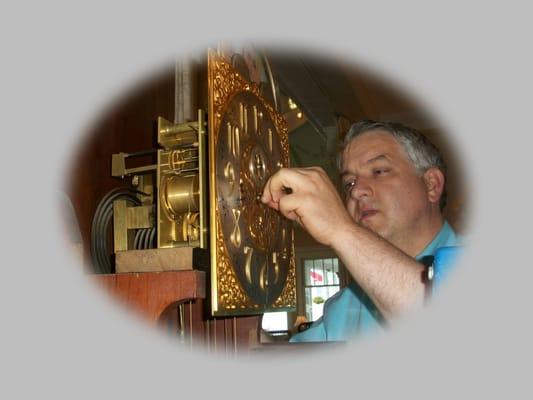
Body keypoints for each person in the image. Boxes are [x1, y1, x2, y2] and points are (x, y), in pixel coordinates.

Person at [261, 120, 461, 342]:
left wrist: (341, 230)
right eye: (349, 183)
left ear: (431, 184)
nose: (357, 192)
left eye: (379, 171)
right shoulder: (344, 308)